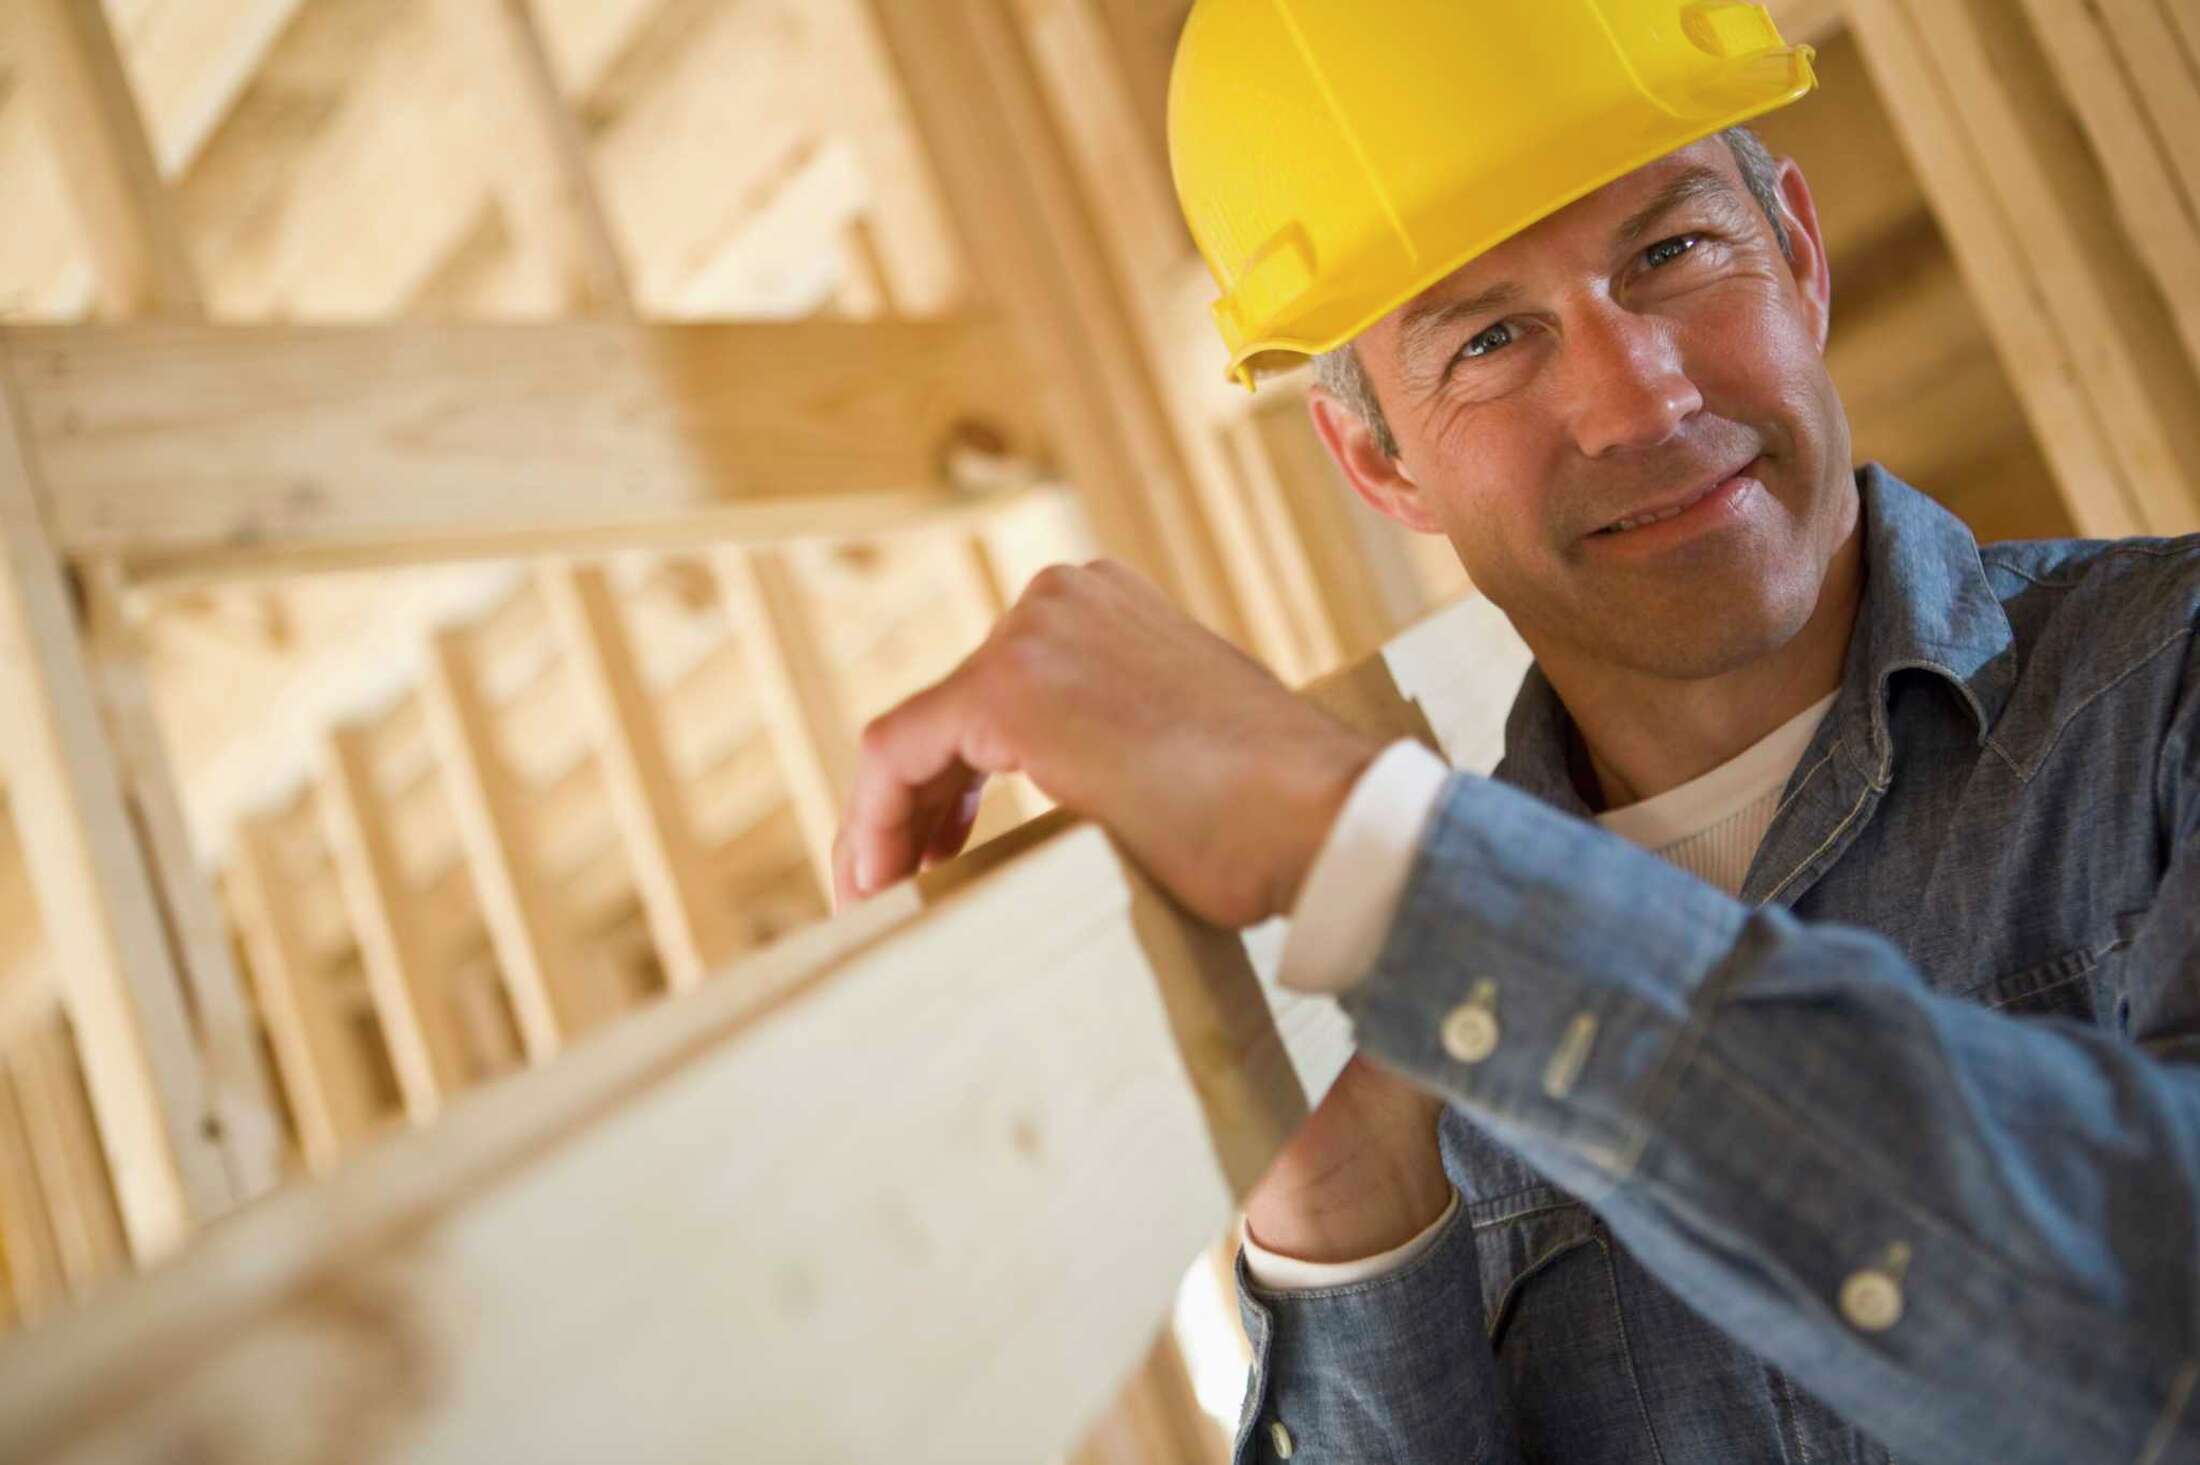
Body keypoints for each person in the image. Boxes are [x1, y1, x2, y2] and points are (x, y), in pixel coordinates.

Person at [833, 4, 2200, 1461]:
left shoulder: (2165, 687)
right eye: (1489, 338)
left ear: (1797, 252)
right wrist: (1346, 1219)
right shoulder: (1413, 1049)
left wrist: (1369, 854)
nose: (1638, 397)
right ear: (1378, 458)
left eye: (1671, 252)